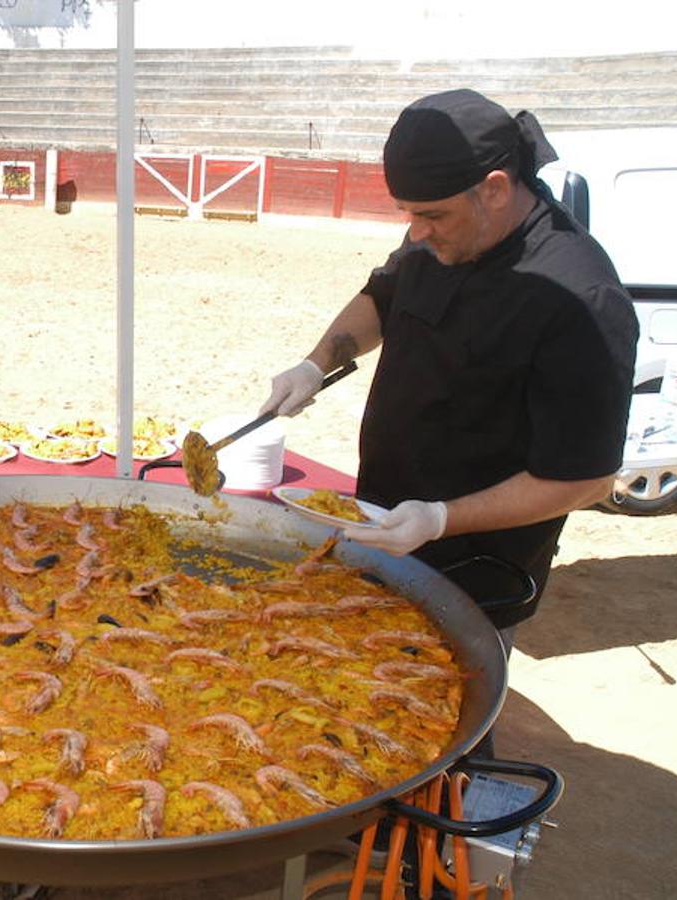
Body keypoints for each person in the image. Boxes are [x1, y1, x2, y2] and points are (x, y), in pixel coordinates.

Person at [261, 89, 637, 644]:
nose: (417, 232)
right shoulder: (443, 229)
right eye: (408, 214)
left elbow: (583, 479)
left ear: (496, 188)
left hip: (475, 570)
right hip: (382, 525)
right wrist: (314, 365)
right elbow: (383, 297)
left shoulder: (583, 298)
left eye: (431, 215)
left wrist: (440, 518)